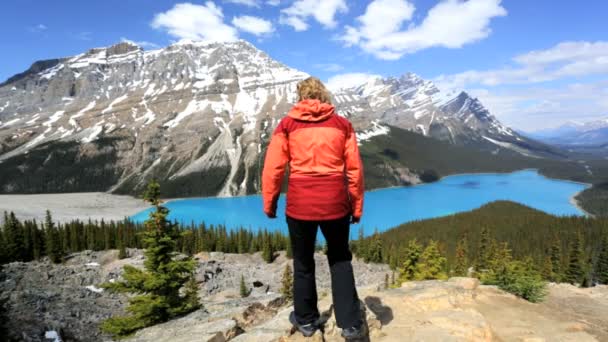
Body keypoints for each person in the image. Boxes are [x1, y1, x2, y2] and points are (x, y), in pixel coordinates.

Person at [262, 77, 365, 339]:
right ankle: (350, 324)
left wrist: (270, 202)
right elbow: (354, 170)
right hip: (335, 204)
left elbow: (274, 168)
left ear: (300, 96)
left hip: (299, 206)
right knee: (340, 259)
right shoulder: (342, 125)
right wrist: (356, 206)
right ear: (324, 95)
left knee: (303, 262)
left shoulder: (287, 125)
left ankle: (306, 320)